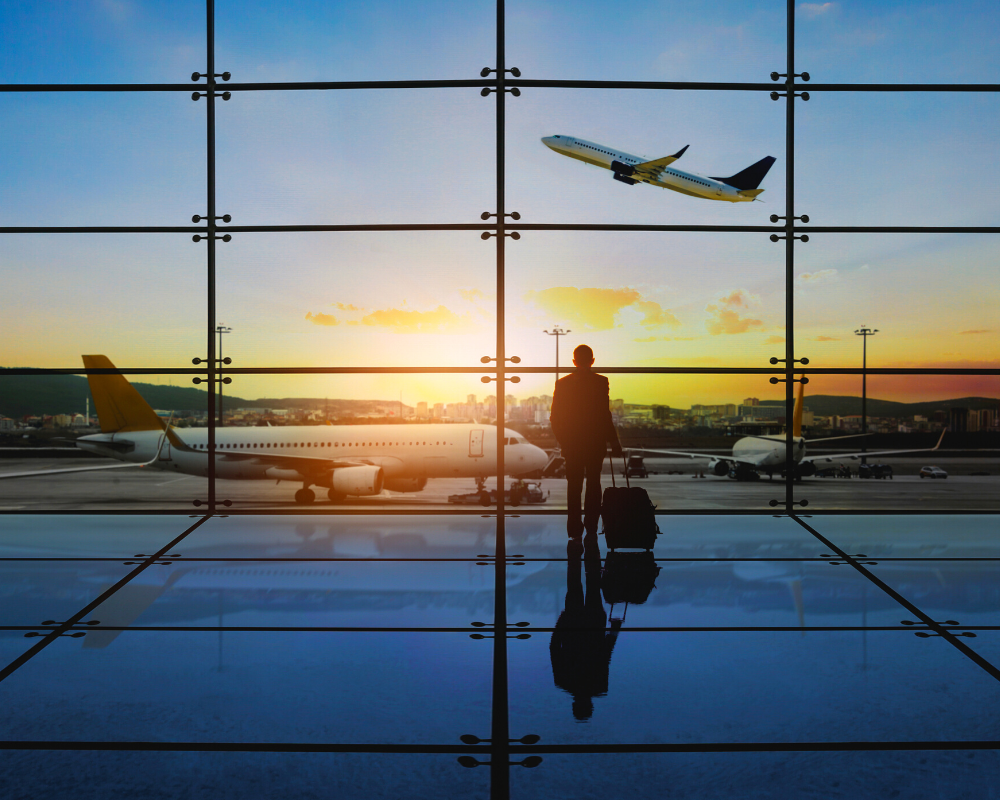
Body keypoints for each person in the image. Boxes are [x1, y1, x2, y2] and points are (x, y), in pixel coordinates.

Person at [549, 344, 623, 538]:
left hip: (572, 444)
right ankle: (591, 526)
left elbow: (554, 418)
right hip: (594, 443)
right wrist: (614, 442)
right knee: (593, 483)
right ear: (592, 361)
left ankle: (574, 529)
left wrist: (563, 440)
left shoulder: (562, 384)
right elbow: (604, 415)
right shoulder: (601, 382)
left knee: (573, 486)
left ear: (574, 361)